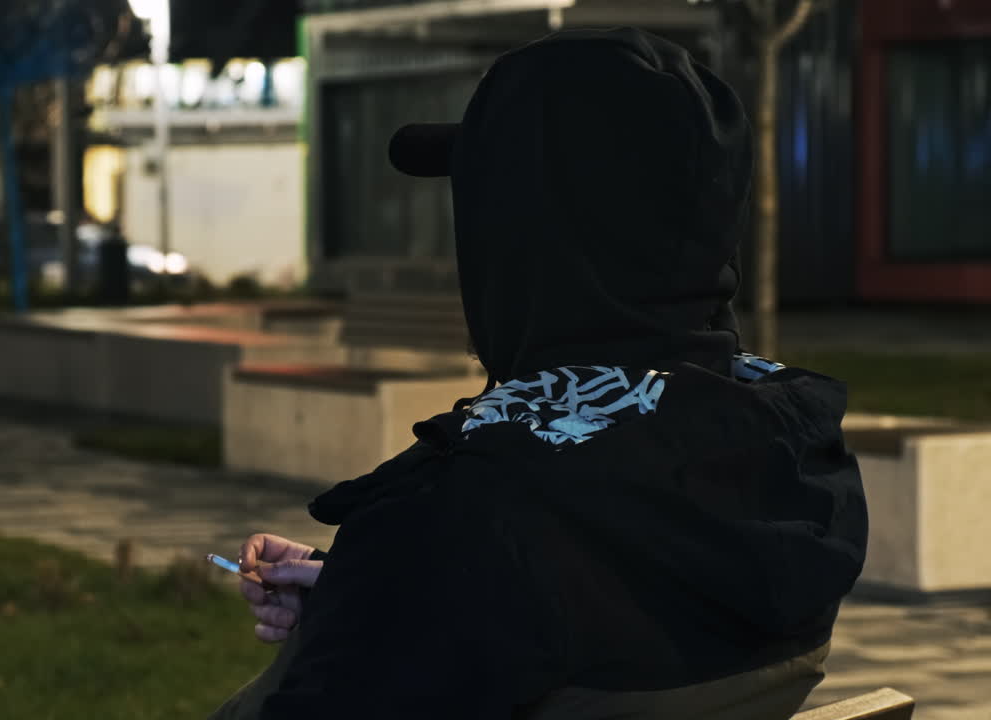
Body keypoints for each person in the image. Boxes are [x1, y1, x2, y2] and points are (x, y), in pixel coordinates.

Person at [209, 26, 867, 720]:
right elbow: (590, 610)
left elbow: (492, 582)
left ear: (518, 242)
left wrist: (380, 592)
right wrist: (367, 595)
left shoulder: (459, 525)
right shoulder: (796, 459)